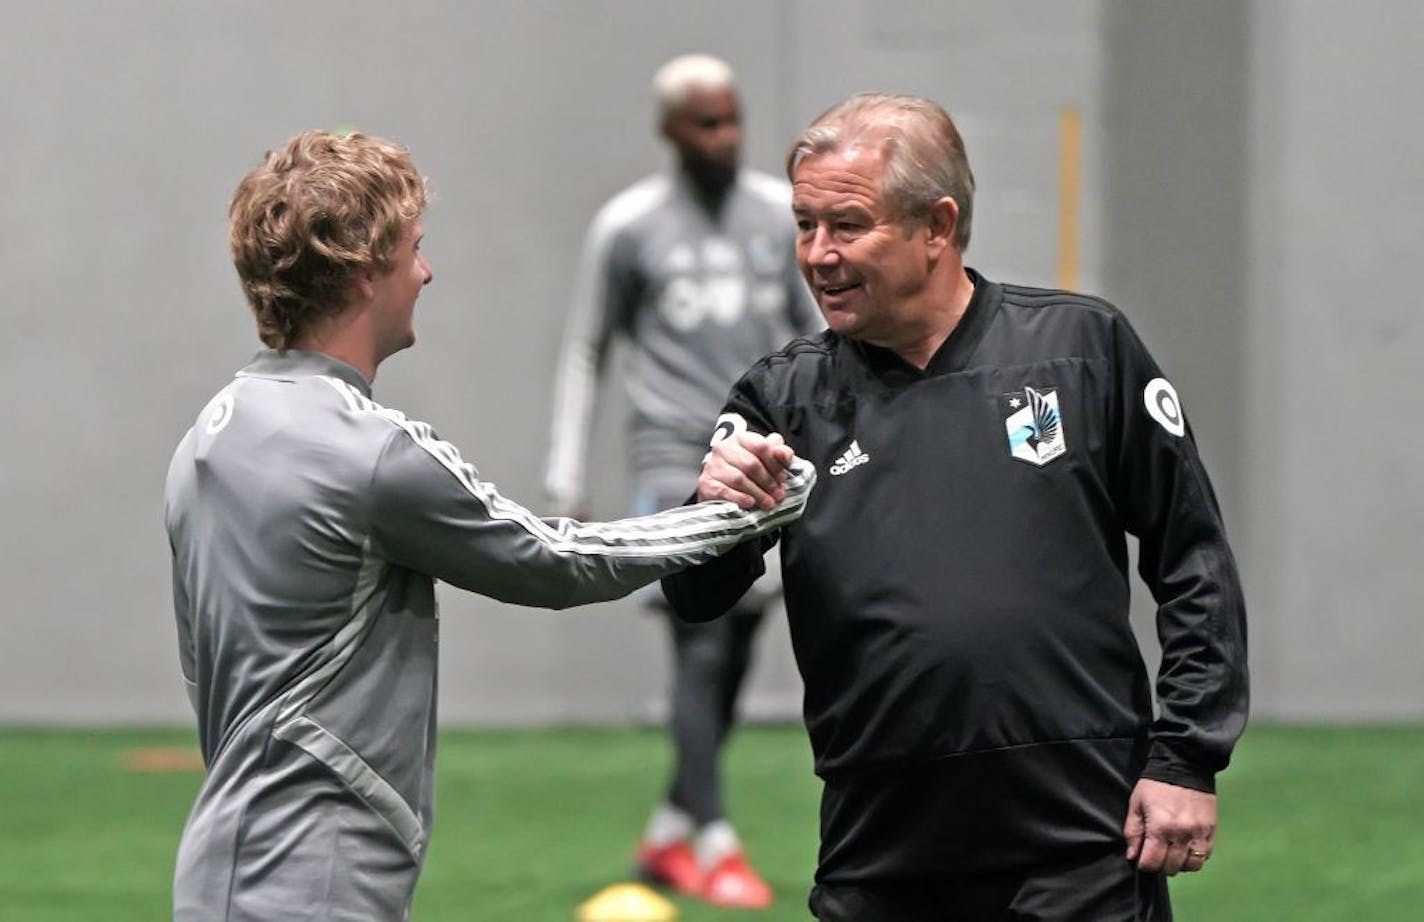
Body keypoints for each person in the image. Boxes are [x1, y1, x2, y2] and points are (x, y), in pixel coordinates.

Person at [164, 129, 813, 922]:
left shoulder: (211, 434)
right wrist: (735, 514)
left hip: (222, 868)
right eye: (413, 250)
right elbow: (552, 560)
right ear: (365, 272)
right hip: (316, 879)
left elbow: (205, 669)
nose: (426, 272)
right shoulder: (364, 451)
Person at [662, 93, 1249, 921]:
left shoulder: (1083, 353)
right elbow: (696, 596)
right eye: (804, 225)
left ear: (936, 226)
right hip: (882, 854)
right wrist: (717, 506)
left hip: (1082, 841)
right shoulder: (780, 400)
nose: (818, 255)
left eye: (847, 225)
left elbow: (1193, 558)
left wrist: (1187, 757)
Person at [543, 54, 822, 908]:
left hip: (765, 463)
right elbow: (588, 348)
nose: (726, 137)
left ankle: (669, 827)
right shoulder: (628, 228)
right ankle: (714, 840)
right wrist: (565, 473)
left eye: (733, 118)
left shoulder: (780, 216)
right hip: (672, 463)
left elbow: (816, 334)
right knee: (700, 645)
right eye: (706, 123)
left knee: (736, 650)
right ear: (669, 131)